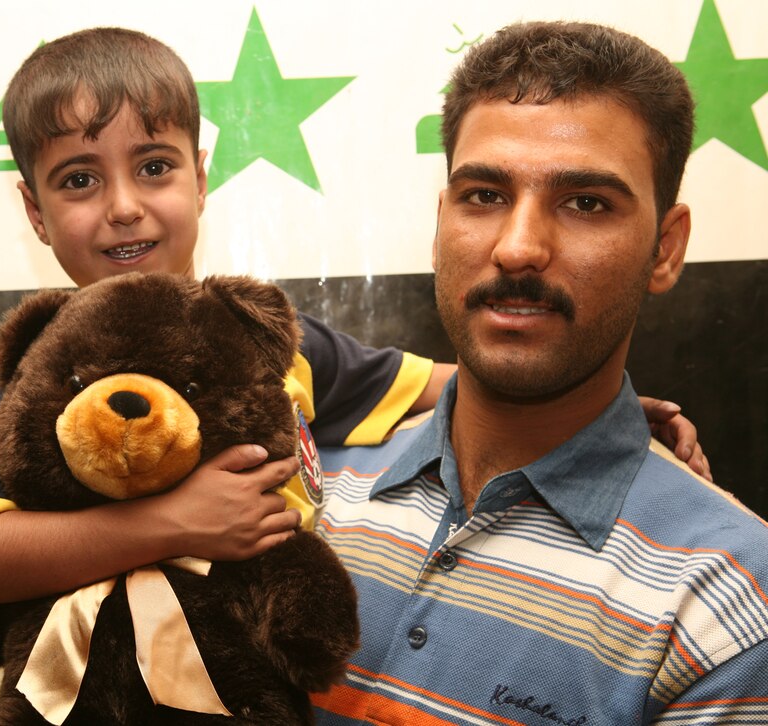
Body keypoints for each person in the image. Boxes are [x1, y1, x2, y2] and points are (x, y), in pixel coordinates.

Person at [0, 27, 706, 608]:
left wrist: (614, 414)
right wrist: (170, 524)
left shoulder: (264, 335)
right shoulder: (48, 366)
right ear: (34, 210)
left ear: (200, 179)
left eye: (154, 167)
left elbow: (442, 383)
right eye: (78, 181)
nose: (125, 208)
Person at [311, 21, 766, 725]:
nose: (519, 247)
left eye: (586, 203)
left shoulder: (727, 603)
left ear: (666, 250)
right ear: (440, 226)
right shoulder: (306, 487)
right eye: (484, 196)